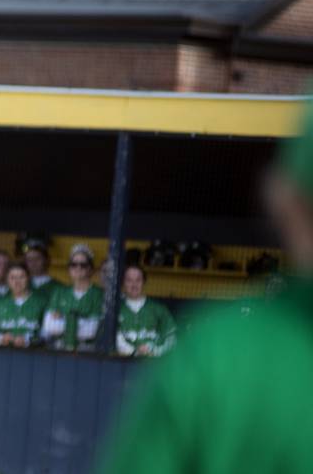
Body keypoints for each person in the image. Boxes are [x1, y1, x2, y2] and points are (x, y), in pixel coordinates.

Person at [97, 100, 313, 473]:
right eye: (127, 279)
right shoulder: (214, 351)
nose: (131, 284)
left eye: (135, 278)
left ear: (284, 201)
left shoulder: (217, 350)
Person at [41, 244, 104, 351]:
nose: (78, 268)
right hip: (59, 348)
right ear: (69, 268)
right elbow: (49, 326)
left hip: (87, 350)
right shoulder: (60, 291)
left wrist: (62, 318)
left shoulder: (98, 294)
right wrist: (82, 321)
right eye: (73, 264)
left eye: (83, 265)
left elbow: (91, 331)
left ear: (90, 268)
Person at [0, 263, 47, 347]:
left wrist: (27, 340)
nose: (17, 281)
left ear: (28, 278)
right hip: (3, 352)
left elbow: (48, 335)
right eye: (12, 277)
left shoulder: (41, 302)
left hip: (35, 353)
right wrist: (0, 338)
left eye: (21, 277)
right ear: (7, 280)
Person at [116, 265, 176, 357]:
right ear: (123, 283)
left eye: (138, 280)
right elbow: (114, 338)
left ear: (144, 282)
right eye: (129, 280)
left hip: (154, 360)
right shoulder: (116, 309)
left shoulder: (158, 308)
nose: (134, 285)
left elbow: (171, 337)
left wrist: (156, 352)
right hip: (124, 361)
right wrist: (134, 351)